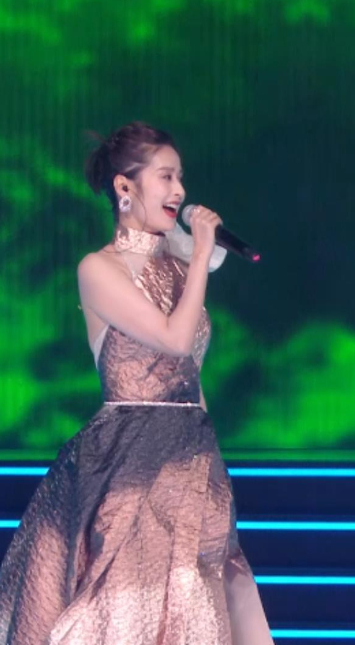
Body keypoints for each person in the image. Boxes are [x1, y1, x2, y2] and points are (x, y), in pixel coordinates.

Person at [0, 122, 273, 645]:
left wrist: (210, 462)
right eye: (166, 176)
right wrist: (200, 255)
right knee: (128, 608)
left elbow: (189, 372)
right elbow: (174, 338)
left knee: (197, 608)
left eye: (181, 177)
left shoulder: (179, 268)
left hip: (191, 461)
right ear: (125, 186)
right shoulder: (98, 268)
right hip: (126, 465)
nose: (180, 190)